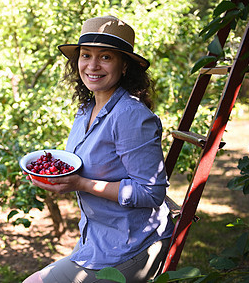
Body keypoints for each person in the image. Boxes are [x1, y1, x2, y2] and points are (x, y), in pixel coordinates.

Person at [23, 16, 175, 283]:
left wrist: (81, 183)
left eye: (105, 57)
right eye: (86, 55)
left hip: (133, 245)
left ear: (124, 65)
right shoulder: (86, 110)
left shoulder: (131, 116)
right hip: (97, 240)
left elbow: (151, 192)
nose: (92, 65)